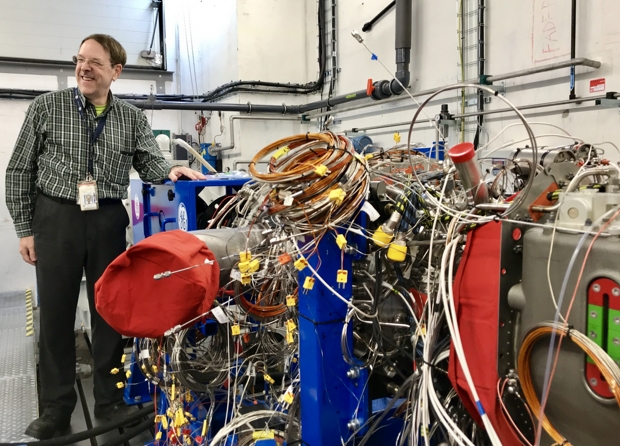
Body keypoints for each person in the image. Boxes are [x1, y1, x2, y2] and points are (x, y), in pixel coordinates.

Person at [5, 34, 206, 440]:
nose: (84, 68)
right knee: (57, 314)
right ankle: (57, 407)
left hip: (108, 218)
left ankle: (109, 401)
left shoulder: (131, 118)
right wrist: (25, 229)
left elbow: (150, 161)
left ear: (116, 71)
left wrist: (171, 171)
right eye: (80, 59)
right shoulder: (47, 107)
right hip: (56, 217)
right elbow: (19, 170)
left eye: (94, 62)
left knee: (110, 311)